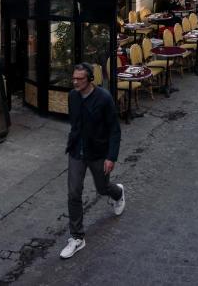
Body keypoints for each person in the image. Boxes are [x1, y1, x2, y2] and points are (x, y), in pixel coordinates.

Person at [60, 62, 125, 259]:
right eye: (74, 78)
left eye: (80, 79)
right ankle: (77, 237)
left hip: (98, 153)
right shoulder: (72, 96)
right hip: (77, 152)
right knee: (73, 193)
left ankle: (118, 192)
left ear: (90, 80)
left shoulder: (104, 98)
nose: (75, 82)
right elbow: (75, 122)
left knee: (102, 188)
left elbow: (114, 129)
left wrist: (111, 157)